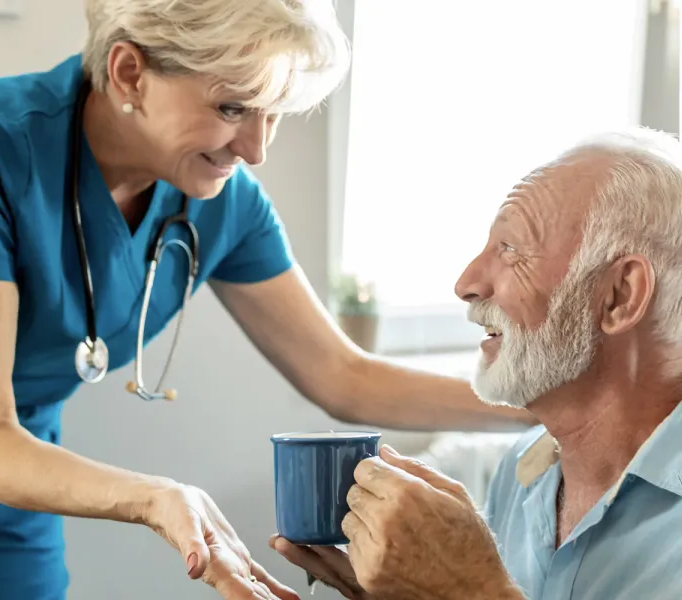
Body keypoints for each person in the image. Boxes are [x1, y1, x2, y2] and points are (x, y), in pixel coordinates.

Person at [0, 1, 533, 599]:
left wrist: (542, 403)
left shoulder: (224, 198)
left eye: (274, 112)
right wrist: (155, 497)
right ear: (130, 72)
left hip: (15, 473)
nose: (256, 148)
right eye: (232, 109)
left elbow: (342, 376)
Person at [273, 127, 682, 599]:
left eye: (510, 250)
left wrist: (474, 592)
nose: (466, 282)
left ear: (619, 296)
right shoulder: (523, 473)